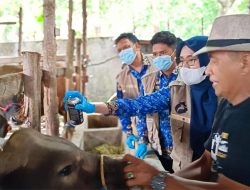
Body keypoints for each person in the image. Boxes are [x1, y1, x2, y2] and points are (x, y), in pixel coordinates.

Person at [122, 14, 250, 189]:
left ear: (245, 61)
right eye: (182, 61)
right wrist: (162, 180)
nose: (209, 70)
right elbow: (206, 161)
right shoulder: (227, 106)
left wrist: (160, 181)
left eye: (214, 60)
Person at [169, 36, 217, 171]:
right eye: (181, 61)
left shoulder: (224, 90)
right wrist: (110, 107)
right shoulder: (178, 89)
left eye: (191, 60)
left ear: (206, 60)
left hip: (218, 170)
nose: (184, 67)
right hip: (187, 165)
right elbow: (147, 102)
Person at [111, 32, 156, 156]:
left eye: (126, 47)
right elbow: (122, 107)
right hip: (140, 132)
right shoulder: (121, 78)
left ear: (137, 46)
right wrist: (128, 132)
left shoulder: (157, 64)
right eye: (119, 50)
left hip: (162, 128)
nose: (123, 52)